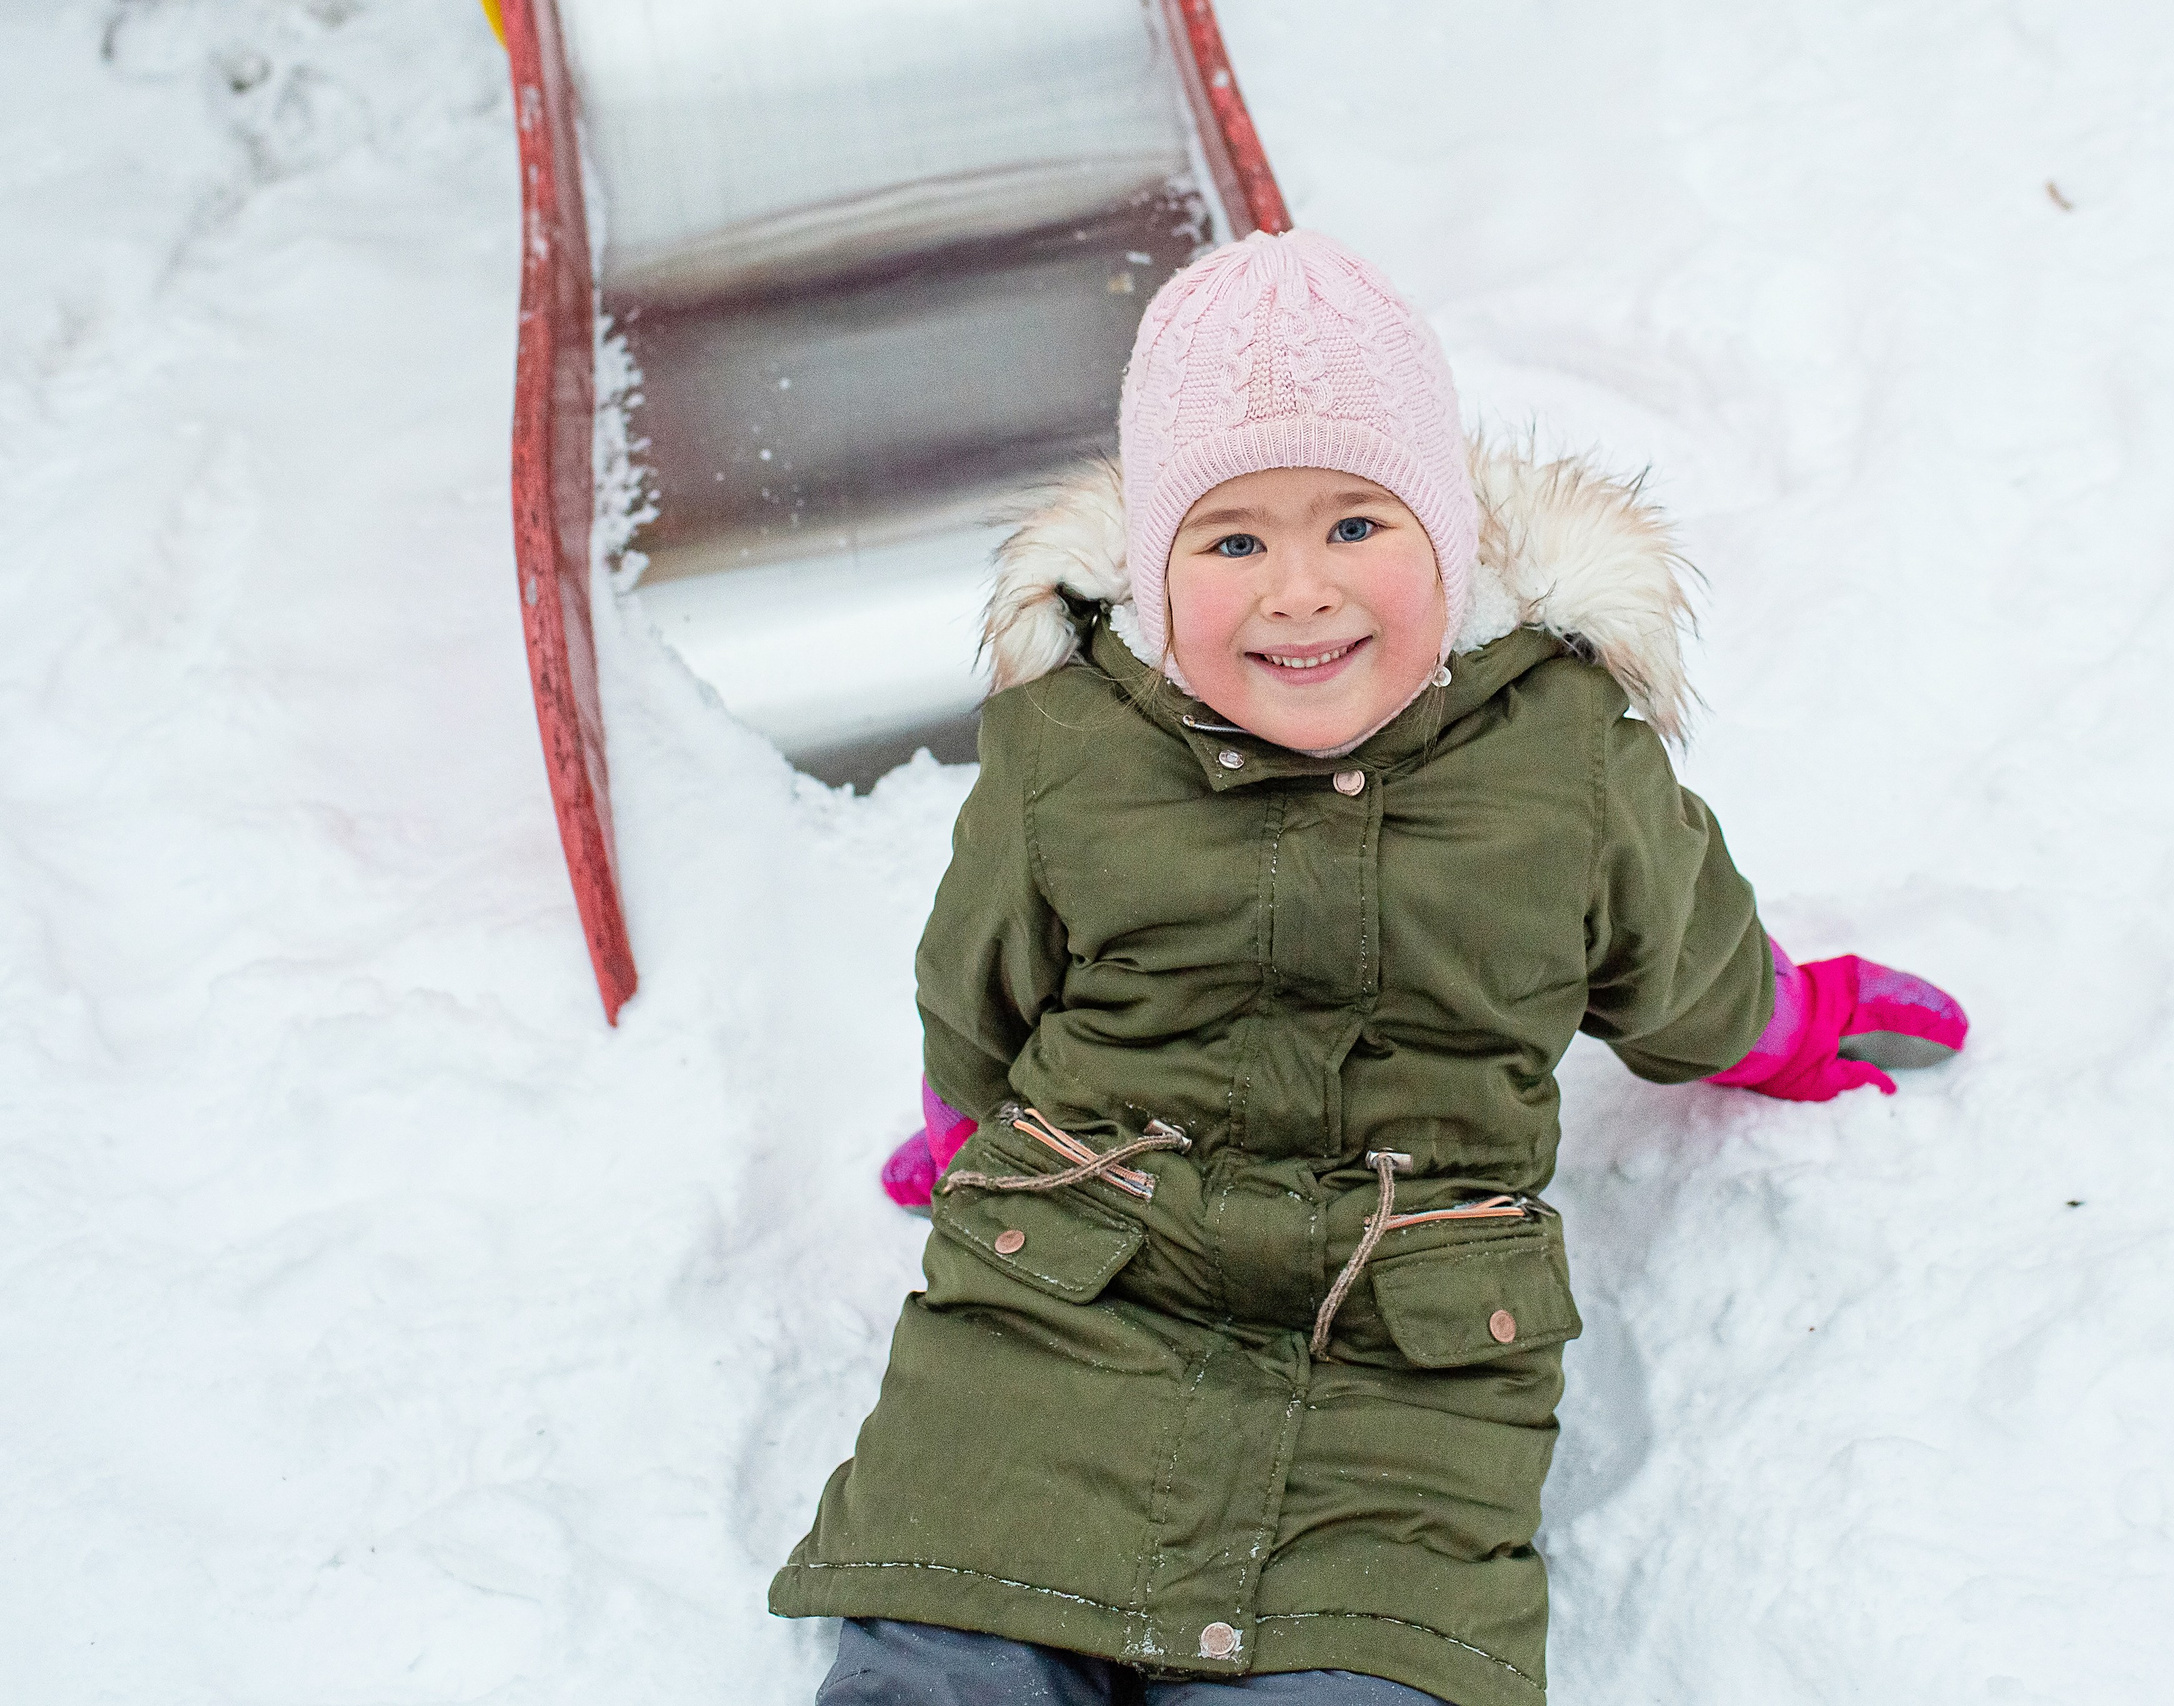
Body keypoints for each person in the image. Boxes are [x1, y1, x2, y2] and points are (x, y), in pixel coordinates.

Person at [776, 230, 1968, 1706]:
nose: (1298, 592)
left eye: (1355, 524)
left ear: (1450, 535)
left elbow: (1683, 962)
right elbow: (980, 986)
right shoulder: (1074, 752)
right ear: (1153, 560)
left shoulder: (1560, 761)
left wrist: (1790, 1022)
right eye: (1232, 540)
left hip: (1400, 1372)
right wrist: (971, 1130)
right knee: (951, 1654)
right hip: (1058, 1320)